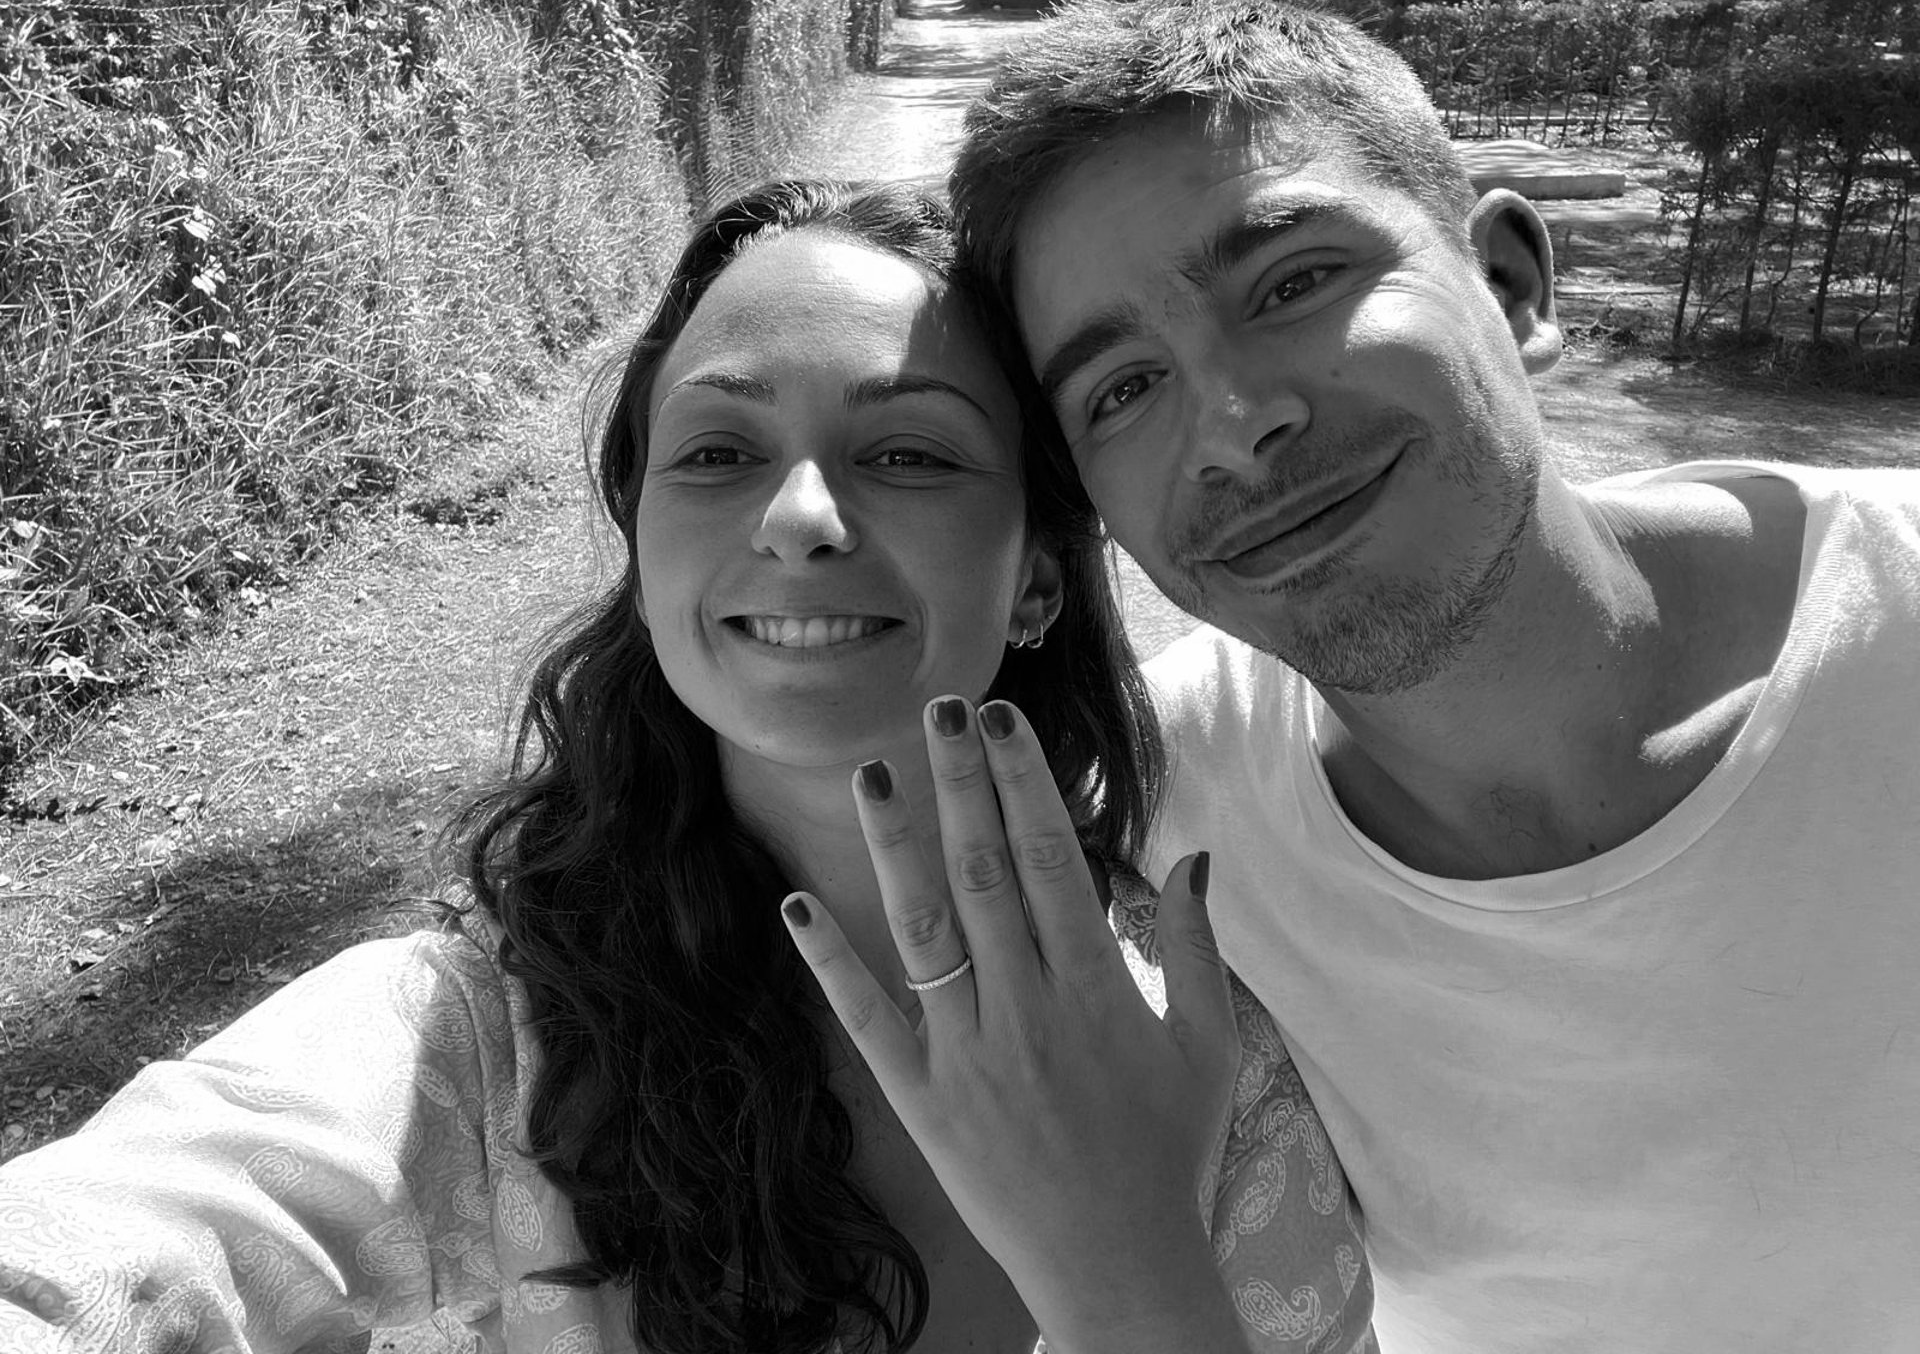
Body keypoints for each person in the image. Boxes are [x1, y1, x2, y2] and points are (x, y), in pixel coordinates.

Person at [0, 179, 1374, 1354]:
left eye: (908, 451)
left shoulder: (1196, 1055)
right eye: (717, 451)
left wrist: (1134, 1268)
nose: (798, 516)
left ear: (1041, 577)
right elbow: (106, 1252)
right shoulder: (475, 1045)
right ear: (648, 562)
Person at [790, 0, 1920, 1354]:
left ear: (1510, 284)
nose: (1232, 424)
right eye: (1122, 390)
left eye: (1291, 285)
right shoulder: (1147, 831)